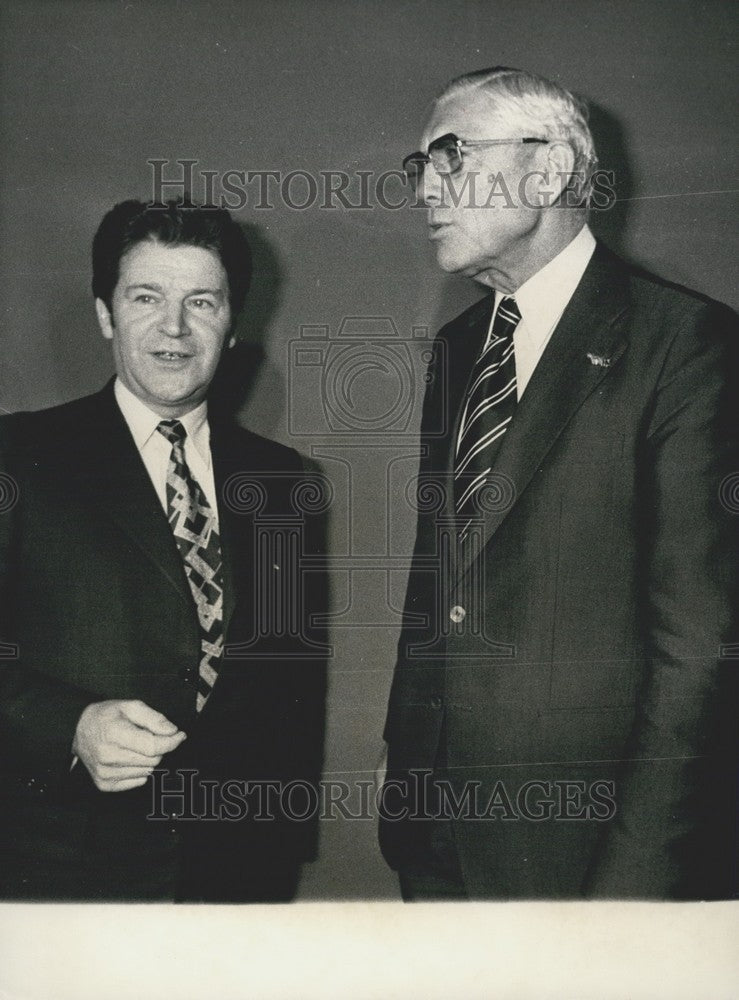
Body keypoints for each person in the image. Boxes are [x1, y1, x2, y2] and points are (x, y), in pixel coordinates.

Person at [379, 67, 737, 899]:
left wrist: (635, 885)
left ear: (546, 171)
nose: (426, 188)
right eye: (420, 167)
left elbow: (700, 648)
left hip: (590, 859)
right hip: (435, 839)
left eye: (451, 156)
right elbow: (442, 584)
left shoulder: (687, 344)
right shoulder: (459, 347)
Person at [0, 199, 325, 901]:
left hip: (235, 878)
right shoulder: (18, 456)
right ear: (105, 315)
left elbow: (290, 683)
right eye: (146, 297)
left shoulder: (283, 481)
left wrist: (279, 850)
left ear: (232, 325)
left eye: (201, 302)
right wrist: (68, 727)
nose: (174, 327)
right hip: (59, 873)